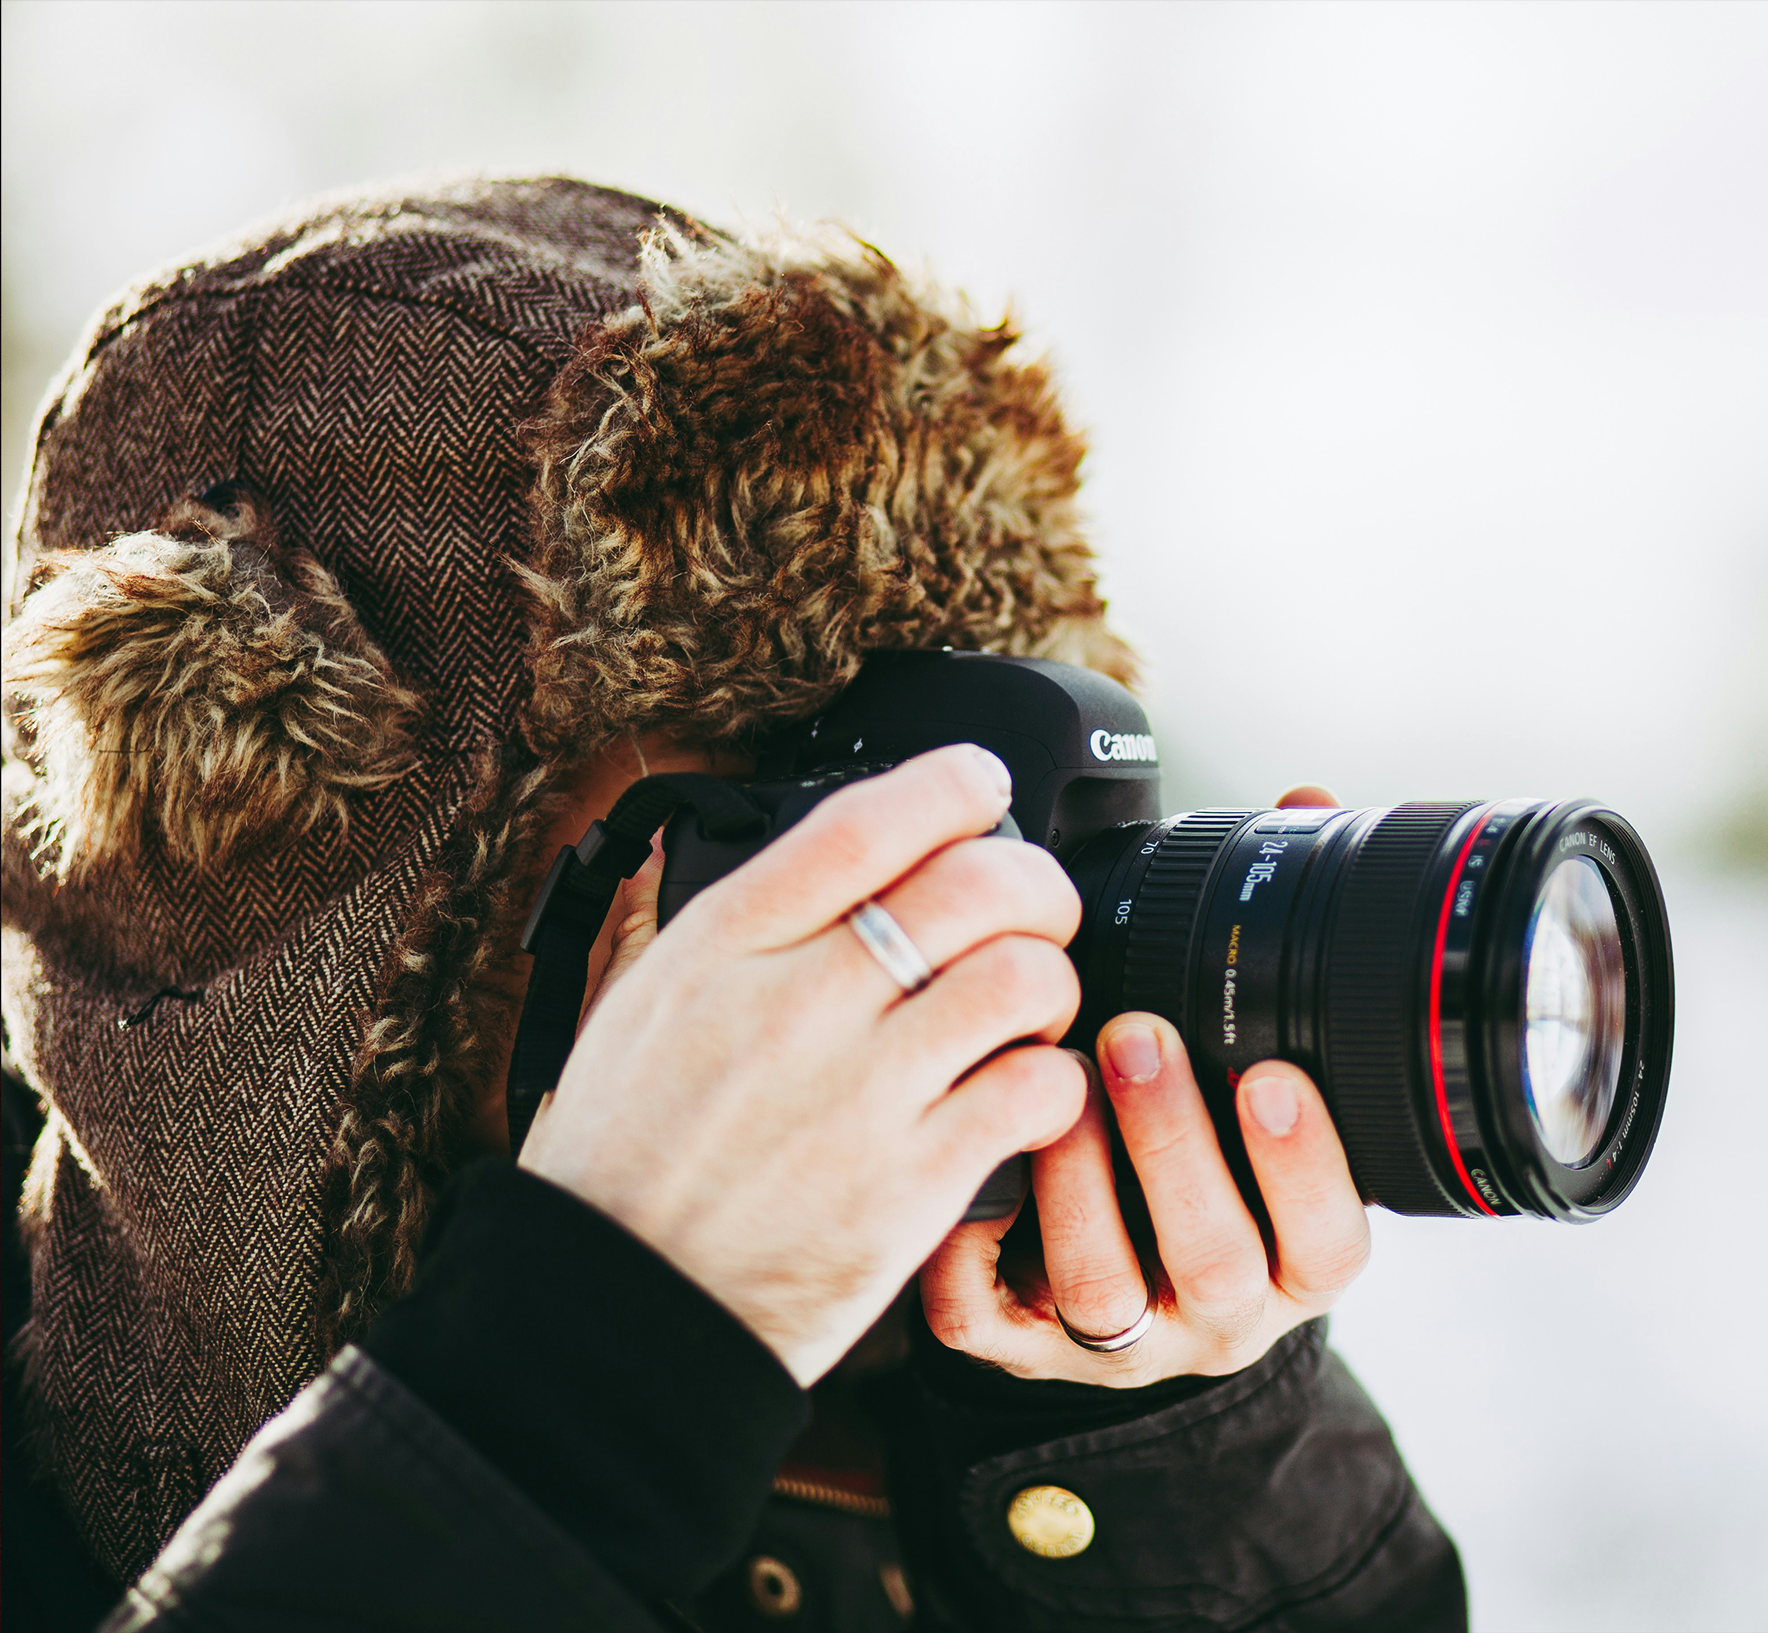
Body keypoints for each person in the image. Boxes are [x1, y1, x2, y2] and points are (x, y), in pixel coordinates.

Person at [0, 176, 1466, 1630]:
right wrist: (588, 1368)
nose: (959, 927)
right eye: (802, 830)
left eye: (996, 823)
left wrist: (1160, 1472)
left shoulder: (956, 1426)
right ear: (345, 933)